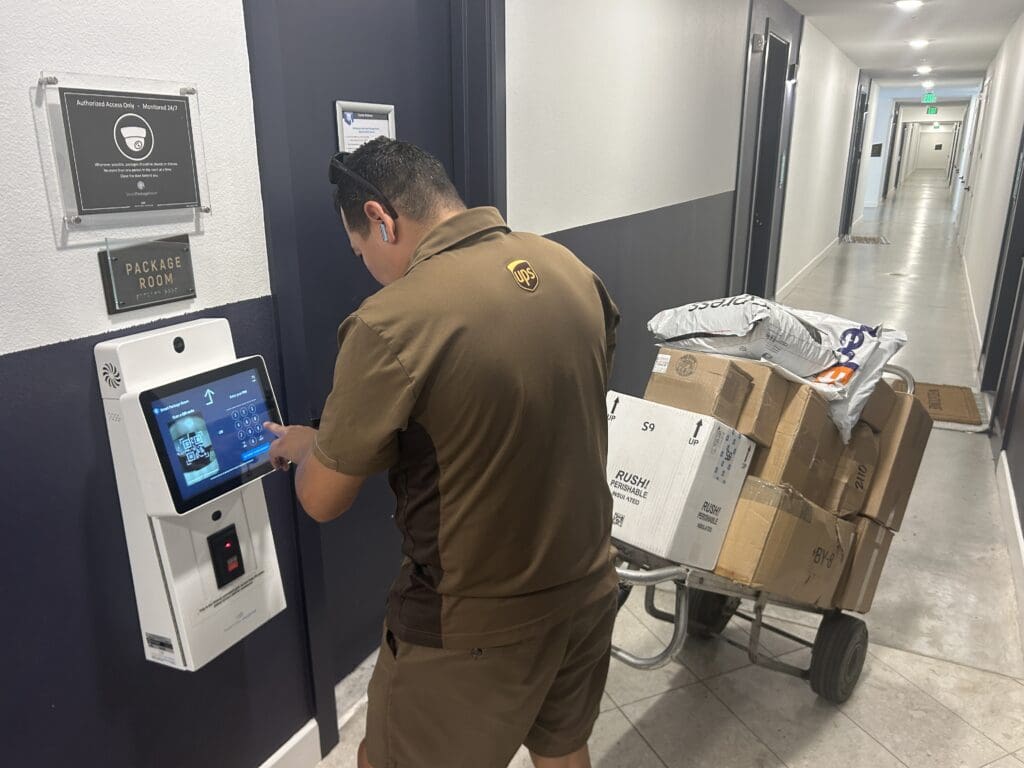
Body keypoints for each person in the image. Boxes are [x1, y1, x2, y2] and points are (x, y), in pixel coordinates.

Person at [266, 137, 620, 768]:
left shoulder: (391, 319)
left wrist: (312, 455)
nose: (367, 268)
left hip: (474, 622)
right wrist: (322, 437)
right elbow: (521, 410)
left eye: (360, 252)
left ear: (380, 219)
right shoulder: (568, 267)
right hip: (588, 586)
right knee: (563, 749)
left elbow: (323, 500)